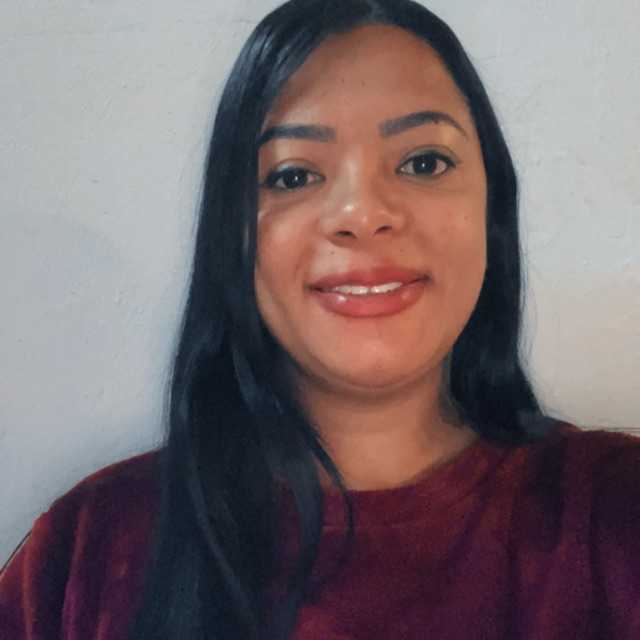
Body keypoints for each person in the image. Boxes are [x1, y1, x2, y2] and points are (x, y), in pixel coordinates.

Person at [1, 0, 639, 638]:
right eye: (293, 175)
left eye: (423, 162)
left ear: (492, 209)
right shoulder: (84, 554)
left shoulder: (618, 514)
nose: (362, 213)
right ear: (232, 235)